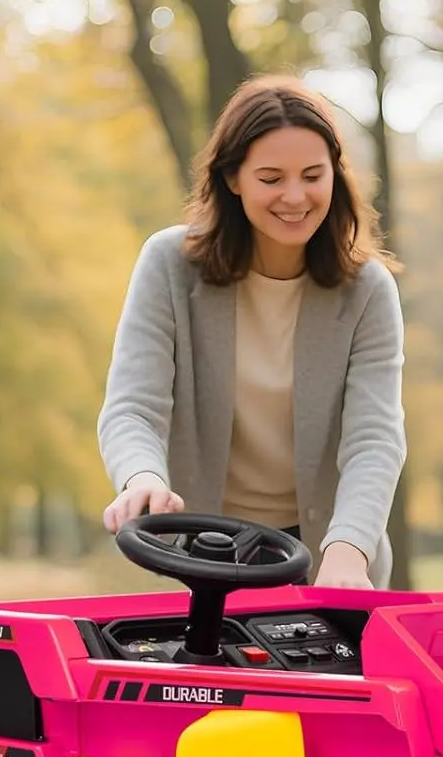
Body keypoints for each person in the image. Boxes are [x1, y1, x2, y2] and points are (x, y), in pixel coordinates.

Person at [97, 75, 405, 588]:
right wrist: (142, 478)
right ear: (233, 178)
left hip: (331, 560)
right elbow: (133, 406)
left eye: (312, 175)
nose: (294, 196)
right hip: (199, 551)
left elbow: (374, 438)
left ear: (335, 174)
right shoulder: (169, 265)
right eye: (270, 178)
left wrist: (350, 550)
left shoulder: (367, 289)